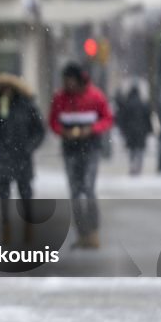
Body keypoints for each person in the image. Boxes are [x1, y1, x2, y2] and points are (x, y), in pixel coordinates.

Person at [48, 62, 114, 249]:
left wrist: (92, 129)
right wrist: (62, 131)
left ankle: (93, 231)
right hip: (70, 150)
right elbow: (52, 121)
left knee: (88, 188)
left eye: (71, 81)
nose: (68, 85)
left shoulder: (95, 96)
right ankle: (82, 233)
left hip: (90, 148)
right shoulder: (60, 98)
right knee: (75, 192)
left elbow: (107, 118)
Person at [0, 73, 45, 244]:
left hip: (22, 155)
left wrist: (29, 147)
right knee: (3, 193)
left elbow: (39, 129)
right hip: (2, 155)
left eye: (8, 88)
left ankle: (28, 228)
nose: (5, 92)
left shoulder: (25, 104)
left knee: (25, 192)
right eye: (1, 89)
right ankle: (6, 228)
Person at [115, 85, 153, 176]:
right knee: (140, 149)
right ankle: (139, 167)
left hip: (130, 131)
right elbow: (148, 117)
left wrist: (123, 129)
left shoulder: (128, 104)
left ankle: (132, 166)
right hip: (141, 131)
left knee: (132, 149)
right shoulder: (143, 104)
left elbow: (122, 118)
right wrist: (149, 129)